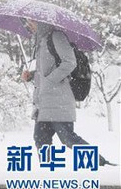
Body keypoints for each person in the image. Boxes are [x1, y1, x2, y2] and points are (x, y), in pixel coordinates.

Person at [20, 18, 115, 166]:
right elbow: (46, 71)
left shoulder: (56, 36)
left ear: (41, 22)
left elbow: (70, 62)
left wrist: (51, 80)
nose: (28, 25)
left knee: (68, 139)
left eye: (31, 22)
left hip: (59, 100)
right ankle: (47, 170)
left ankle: (101, 163)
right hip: (44, 102)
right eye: (27, 22)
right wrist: (31, 75)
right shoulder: (42, 42)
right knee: (40, 138)